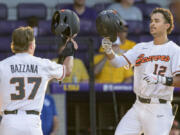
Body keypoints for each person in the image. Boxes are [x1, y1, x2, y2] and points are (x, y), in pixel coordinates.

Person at [100, 8, 180, 135]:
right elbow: (117, 62)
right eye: (151, 21)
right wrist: (108, 50)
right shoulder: (140, 47)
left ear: (167, 25)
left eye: (157, 21)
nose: (152, 23)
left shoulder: (175, 50)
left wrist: (160, 79)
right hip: (138, 105)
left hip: (159, 107)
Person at [0, 23, 76, 135]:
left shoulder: (2, 66)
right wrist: (70, 49)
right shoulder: (43, 64)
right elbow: (67, 70)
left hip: (9, 121)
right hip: (32, 121)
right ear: (31, 45)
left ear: (13, 45)